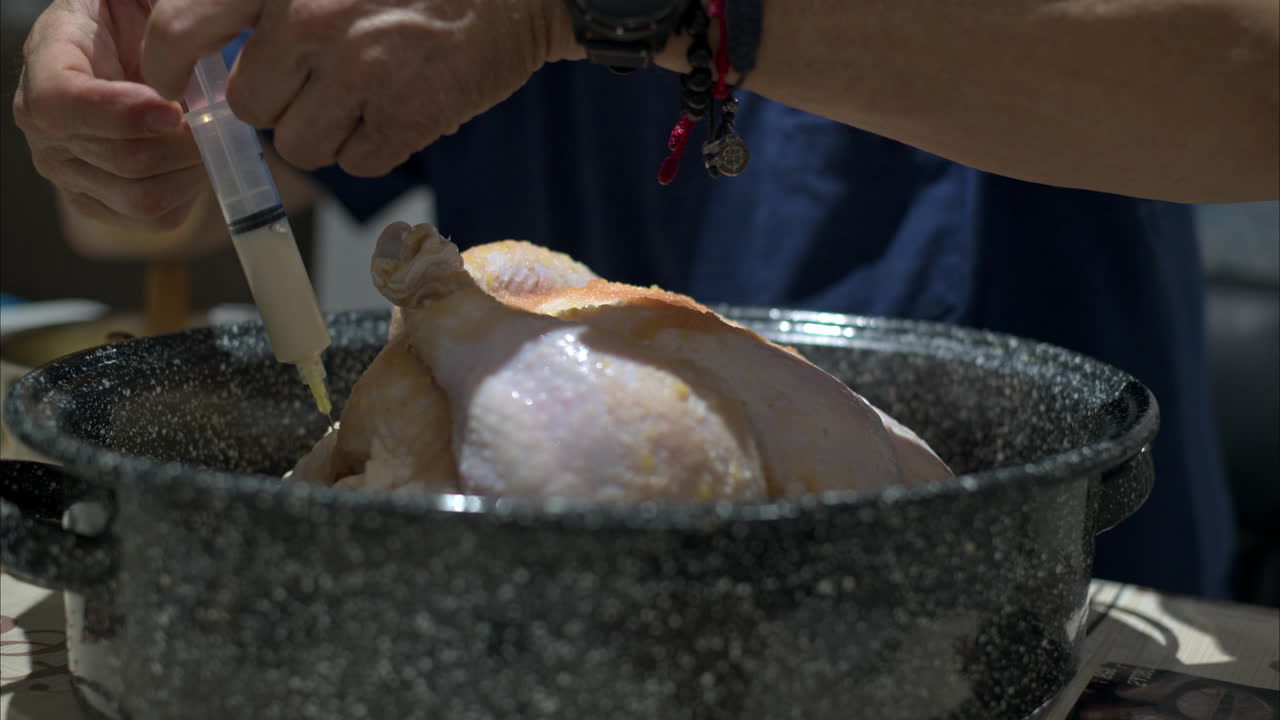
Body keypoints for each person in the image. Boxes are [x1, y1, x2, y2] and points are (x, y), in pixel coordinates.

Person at [14, 0, 1274, 598]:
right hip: (528, 624)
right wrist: (146, 94)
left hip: (1015, 599)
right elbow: (181, 200)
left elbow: (1251, 68)